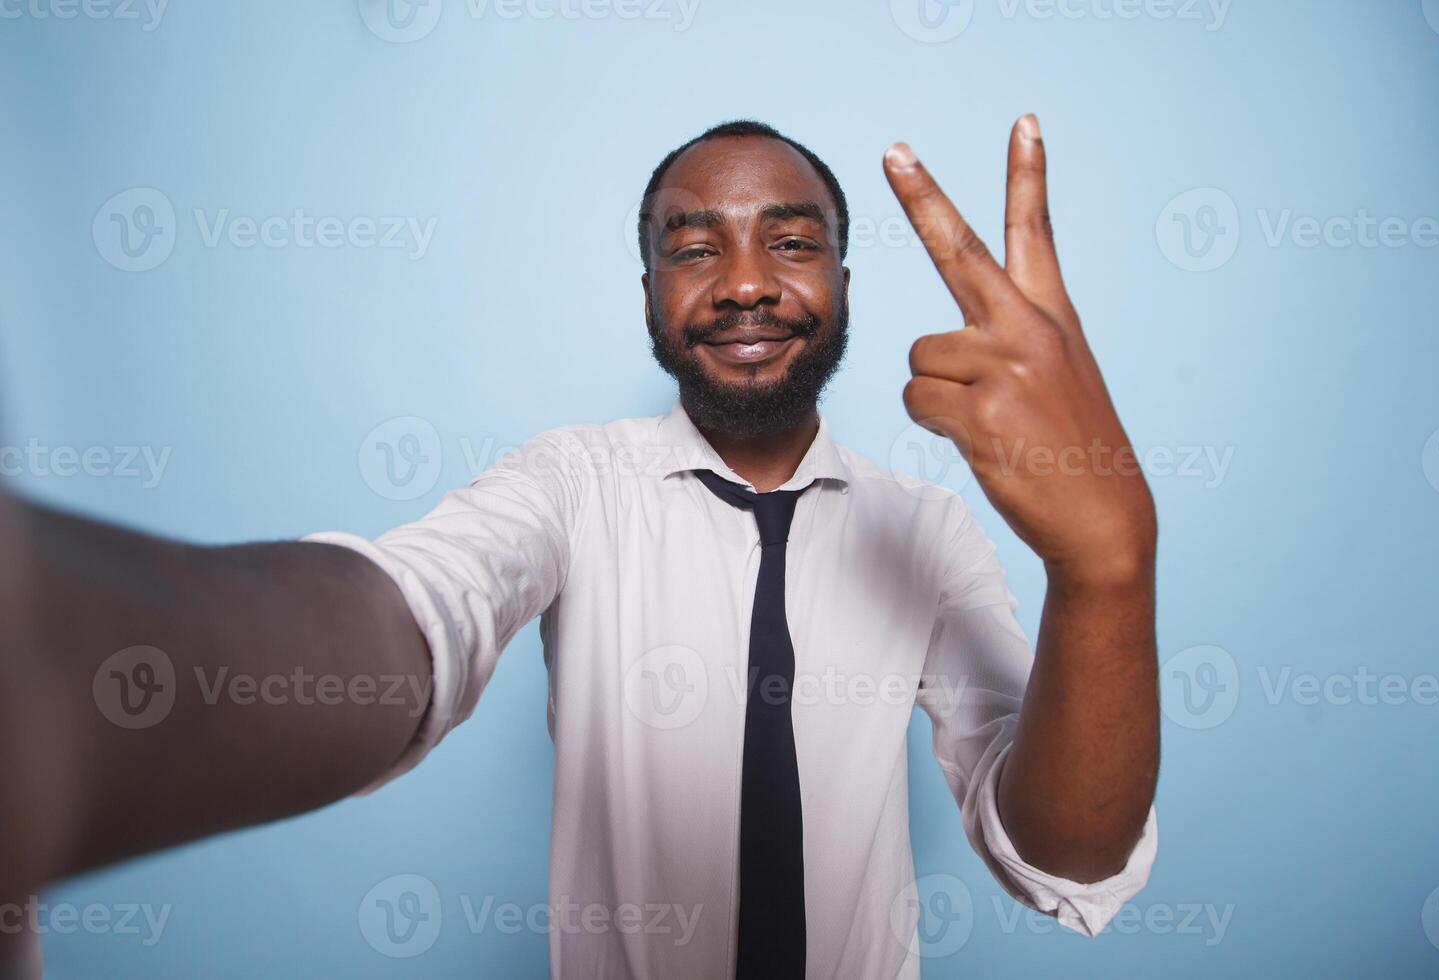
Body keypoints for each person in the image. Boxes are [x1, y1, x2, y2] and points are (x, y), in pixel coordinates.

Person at [0, 115, 1160, 979]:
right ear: (648, 290)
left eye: (790, 243)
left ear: (844, 285)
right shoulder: (570, 482)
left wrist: (1106, 573)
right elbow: (420, 610)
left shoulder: (927, 528)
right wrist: (72, 656)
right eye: (694, 248)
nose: (747, 283)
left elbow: (1062, 846)